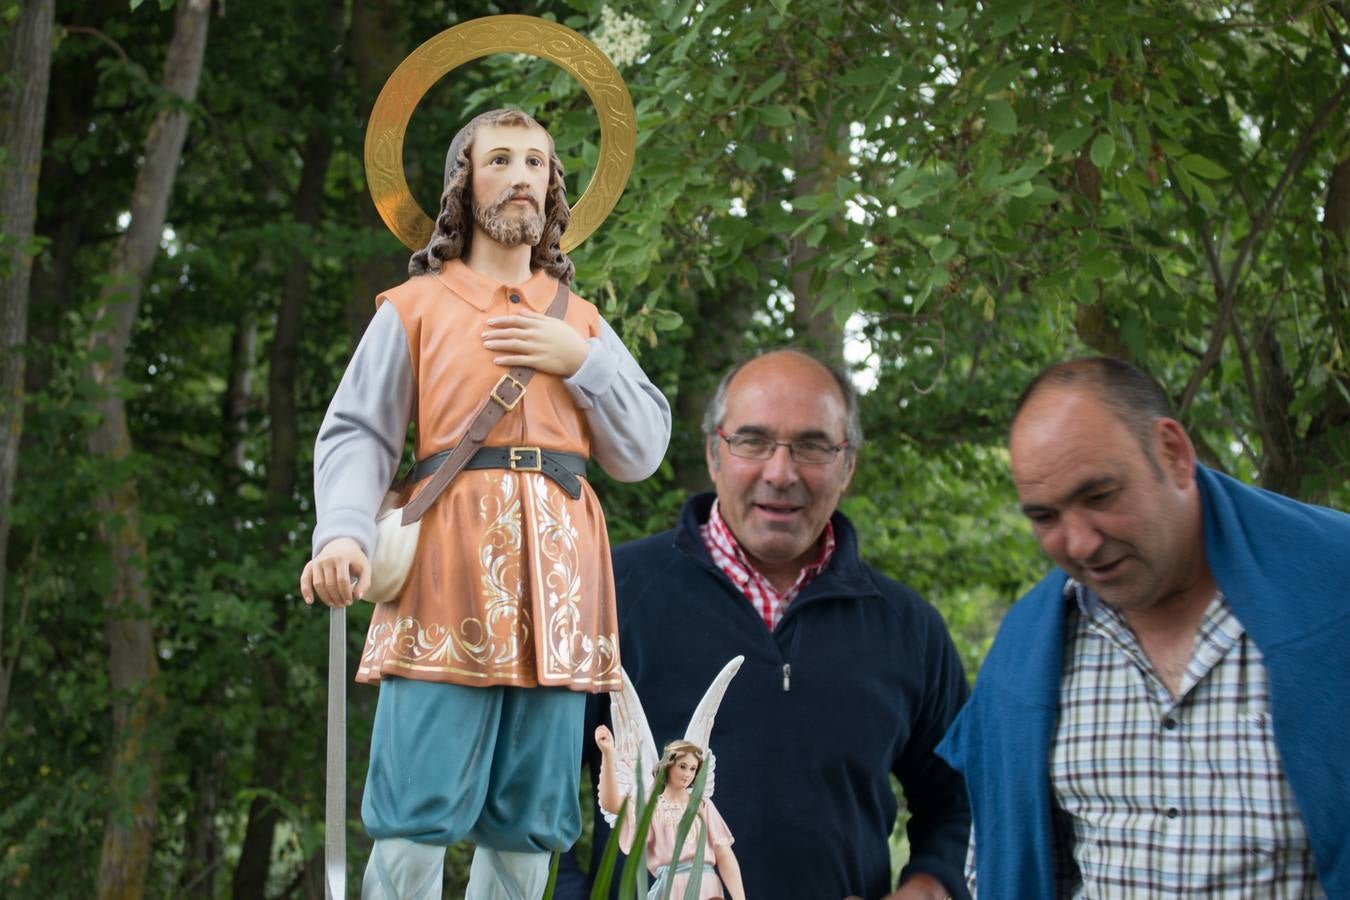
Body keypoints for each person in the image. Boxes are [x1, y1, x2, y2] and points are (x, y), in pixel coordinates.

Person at [299, 108, 671, 900]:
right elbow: (358, 432)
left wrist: (585, 362)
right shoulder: (417, 307)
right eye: (500, 159)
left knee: (532, 817)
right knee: (414, 808)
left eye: (537, 163)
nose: (523, 177)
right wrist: (341, 533)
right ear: (463, 184)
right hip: (447, 575)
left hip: (561, 594)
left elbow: (641, 451)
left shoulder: (583, 322)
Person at [557, 349, 971, 900]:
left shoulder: (908, 630)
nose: (781, 472)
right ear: (713, 454)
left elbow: (960, 801)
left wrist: (926, 889)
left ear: (847, 465)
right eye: (752, 441)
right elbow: (532, 792)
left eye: (813, 445)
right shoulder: (610, 595)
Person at [937, 356, 1350, 898]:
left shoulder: (1333, 594)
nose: (1079, 542)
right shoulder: (1024, 656)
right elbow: (1002, 868)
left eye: (1100, 496)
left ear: (1173, 454)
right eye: (1045, 517)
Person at [594, 728, 746, 900]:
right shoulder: (650, 807)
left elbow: (724, 854)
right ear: (668, 765)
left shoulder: (702, 805)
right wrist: (607, 753)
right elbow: (611, 804)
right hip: (670, 888)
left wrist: (739, 897)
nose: (687, 774)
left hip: (706, 886)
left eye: (692, 769)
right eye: (683, 766)